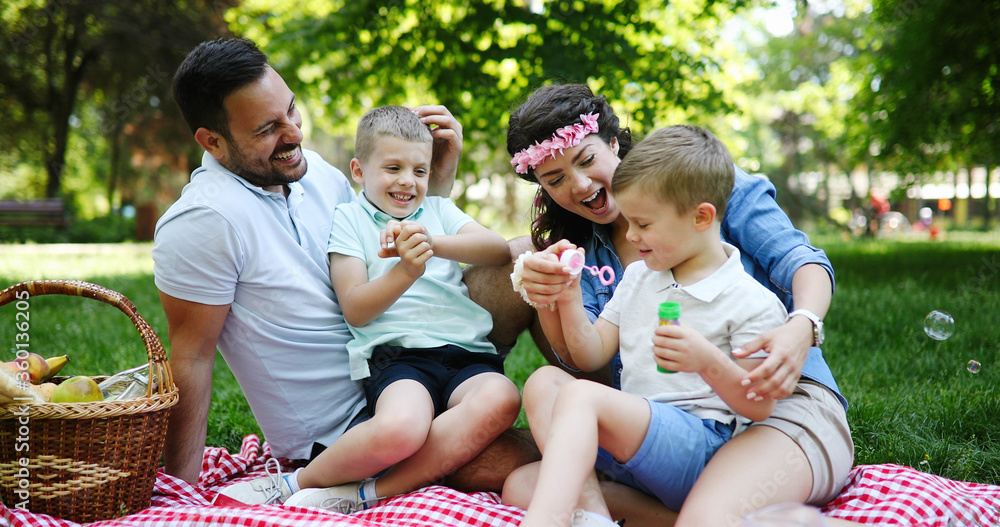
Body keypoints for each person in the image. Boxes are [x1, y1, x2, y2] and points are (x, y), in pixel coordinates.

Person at [153, 38, 535, 493]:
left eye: (291, 111)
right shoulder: (203, 221)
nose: (293, 134)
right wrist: (178, 491)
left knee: (533, 253)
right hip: (352, 420)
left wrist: (435, 179)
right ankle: (340, 488)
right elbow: (191, 357)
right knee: (548, 458)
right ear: (212, 141)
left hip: (432, 352)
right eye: (267, 128)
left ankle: (617, 398)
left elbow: (394, 231)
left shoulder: (314, 173)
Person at [492, 84, 856, 527]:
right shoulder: (599, 256)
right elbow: (583, 359)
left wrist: (803, 323)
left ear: (611, 142)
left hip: (775, 408)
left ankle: (695, 512)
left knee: (704, 514)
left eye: (586, 161)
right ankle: (604, 517)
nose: (580, 184)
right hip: (666, 422)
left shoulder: (699, 182)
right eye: (555, 180)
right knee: (522, 482)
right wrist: (554, 293)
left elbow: (800, 260)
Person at [216, 105, 520, 510]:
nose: (407, 182)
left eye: (420, 171)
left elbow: (498, 250)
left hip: (468, 356)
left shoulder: (438, 212)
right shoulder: (351, 220)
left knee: (503, 397)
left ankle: (367, 493)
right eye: (392, 168)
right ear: (359, 172)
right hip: (401, 359)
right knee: (401, 427)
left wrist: (431, 241)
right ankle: (295, 483)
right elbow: (356, 308)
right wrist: (405, 271)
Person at [515, 125, 789, 527]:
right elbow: (590, 353)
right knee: (525, 464)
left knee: (580, 404)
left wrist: (706, 361)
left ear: (701, 217)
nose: (630, 235)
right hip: (639, 447)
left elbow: (759, 406)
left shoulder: (750, 301)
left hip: (703, 448)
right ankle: (608, 518)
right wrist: (568, 296)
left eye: (643, 224)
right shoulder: (640, 277)